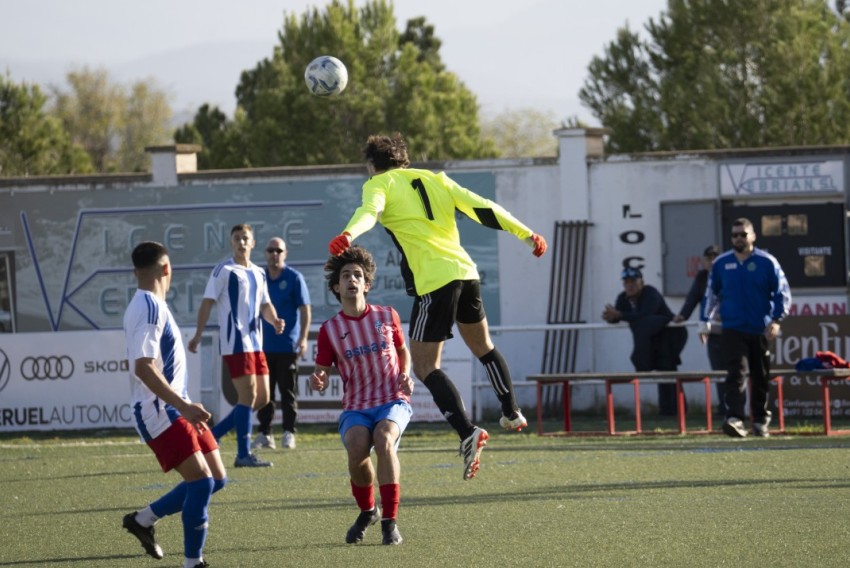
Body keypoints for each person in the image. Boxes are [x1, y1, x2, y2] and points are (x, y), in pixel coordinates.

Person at [328, 133, 548, 480]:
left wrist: (349, 235)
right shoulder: (437, 180)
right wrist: (527, 234)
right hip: (466, 272)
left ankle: (467, 432)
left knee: (425, 365)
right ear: (404, 159)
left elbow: (369, 213)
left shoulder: (378, 183)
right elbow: (484, 208)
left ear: (373, 165)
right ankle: (511, 411)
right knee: (483, 346)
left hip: (434, 282)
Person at [122, 241, 227, 568]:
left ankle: (143, 520)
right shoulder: (149, 307)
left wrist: (182, 402)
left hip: (172, 406)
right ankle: (193, 562)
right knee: (201, 482)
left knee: (217, 478)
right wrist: (182, 405)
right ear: (167, 268)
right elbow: (144, 366)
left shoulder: (150, 304)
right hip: (159, 411)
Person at [310, 245, 414, 546]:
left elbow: (402, 350)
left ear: (366, 285)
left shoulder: (386, 315)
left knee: (383, 440)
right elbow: (322, 370)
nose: (352, 279)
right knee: (357, 449)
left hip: (392, 399)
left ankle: (390, 523)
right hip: (357, 406)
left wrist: (405, 374)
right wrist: (319, 379)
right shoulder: (330, 329)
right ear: (336, 286)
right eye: (346, 275)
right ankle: (369, 510)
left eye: (358, 274)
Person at [188, 224, 285, 467]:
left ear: (252, 243)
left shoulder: (259, 273)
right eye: (237, 239)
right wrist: (198, 334)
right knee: (248, 396)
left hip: (256, 343)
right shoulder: (224, 270)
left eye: (245, 239)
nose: (241, 242)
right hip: (235, 342)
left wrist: (275, 321)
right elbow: (207, 302)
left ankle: (213, 435)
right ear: (232, 243)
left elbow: (265, 305)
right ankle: (243, 454)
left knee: (262, 398)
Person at [706, 218, 791, 438]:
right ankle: (734, 419)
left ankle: (760, 420)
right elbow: (711, 294)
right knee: (736, 373)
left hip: (759, 329)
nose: (738, 239)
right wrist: (704, 321)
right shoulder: (721, 264)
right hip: (732, 328)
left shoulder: (767, 262)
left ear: (753, 236)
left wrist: (776, 319)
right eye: (735, 235)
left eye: (743, 234)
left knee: (760, 376)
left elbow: (782, 292)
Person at [602, 267, 688, 416]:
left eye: (634, 281)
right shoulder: (623, 298)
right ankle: (666, 411)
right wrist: (611, 317)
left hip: (668, 336)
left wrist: (620, 315)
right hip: (650, 340)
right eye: (626, 282)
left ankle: (678, 410)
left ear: (642, 282)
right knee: (661, 372)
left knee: (668, 371)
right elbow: (621, 315)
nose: (630, 285)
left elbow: (644, 314)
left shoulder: (650, 293)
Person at [253, 237, 312, 451]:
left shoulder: (294, 278)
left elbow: (305, 309)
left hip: (287, 346)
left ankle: (289, 433)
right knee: (264, 393)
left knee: (287, 392)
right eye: (270, 250)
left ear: (285, 253)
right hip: (262, 346)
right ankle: (264, 434)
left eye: (278, 250)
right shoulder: (259, 277)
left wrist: (303, 338)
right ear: (265, 253)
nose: (274, 254)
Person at [672, 244, 726, 414]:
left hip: (733, 331)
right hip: (713, 332)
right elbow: (693, 298)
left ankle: (739, 409)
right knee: (719, 373)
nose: (712, 261)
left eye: (715, 258)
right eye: (708, 258)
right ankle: (724, 409)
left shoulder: (729, 274)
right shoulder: (702, 277)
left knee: (735, 372)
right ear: (703, 261)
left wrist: (725, 314)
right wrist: (682, 316)